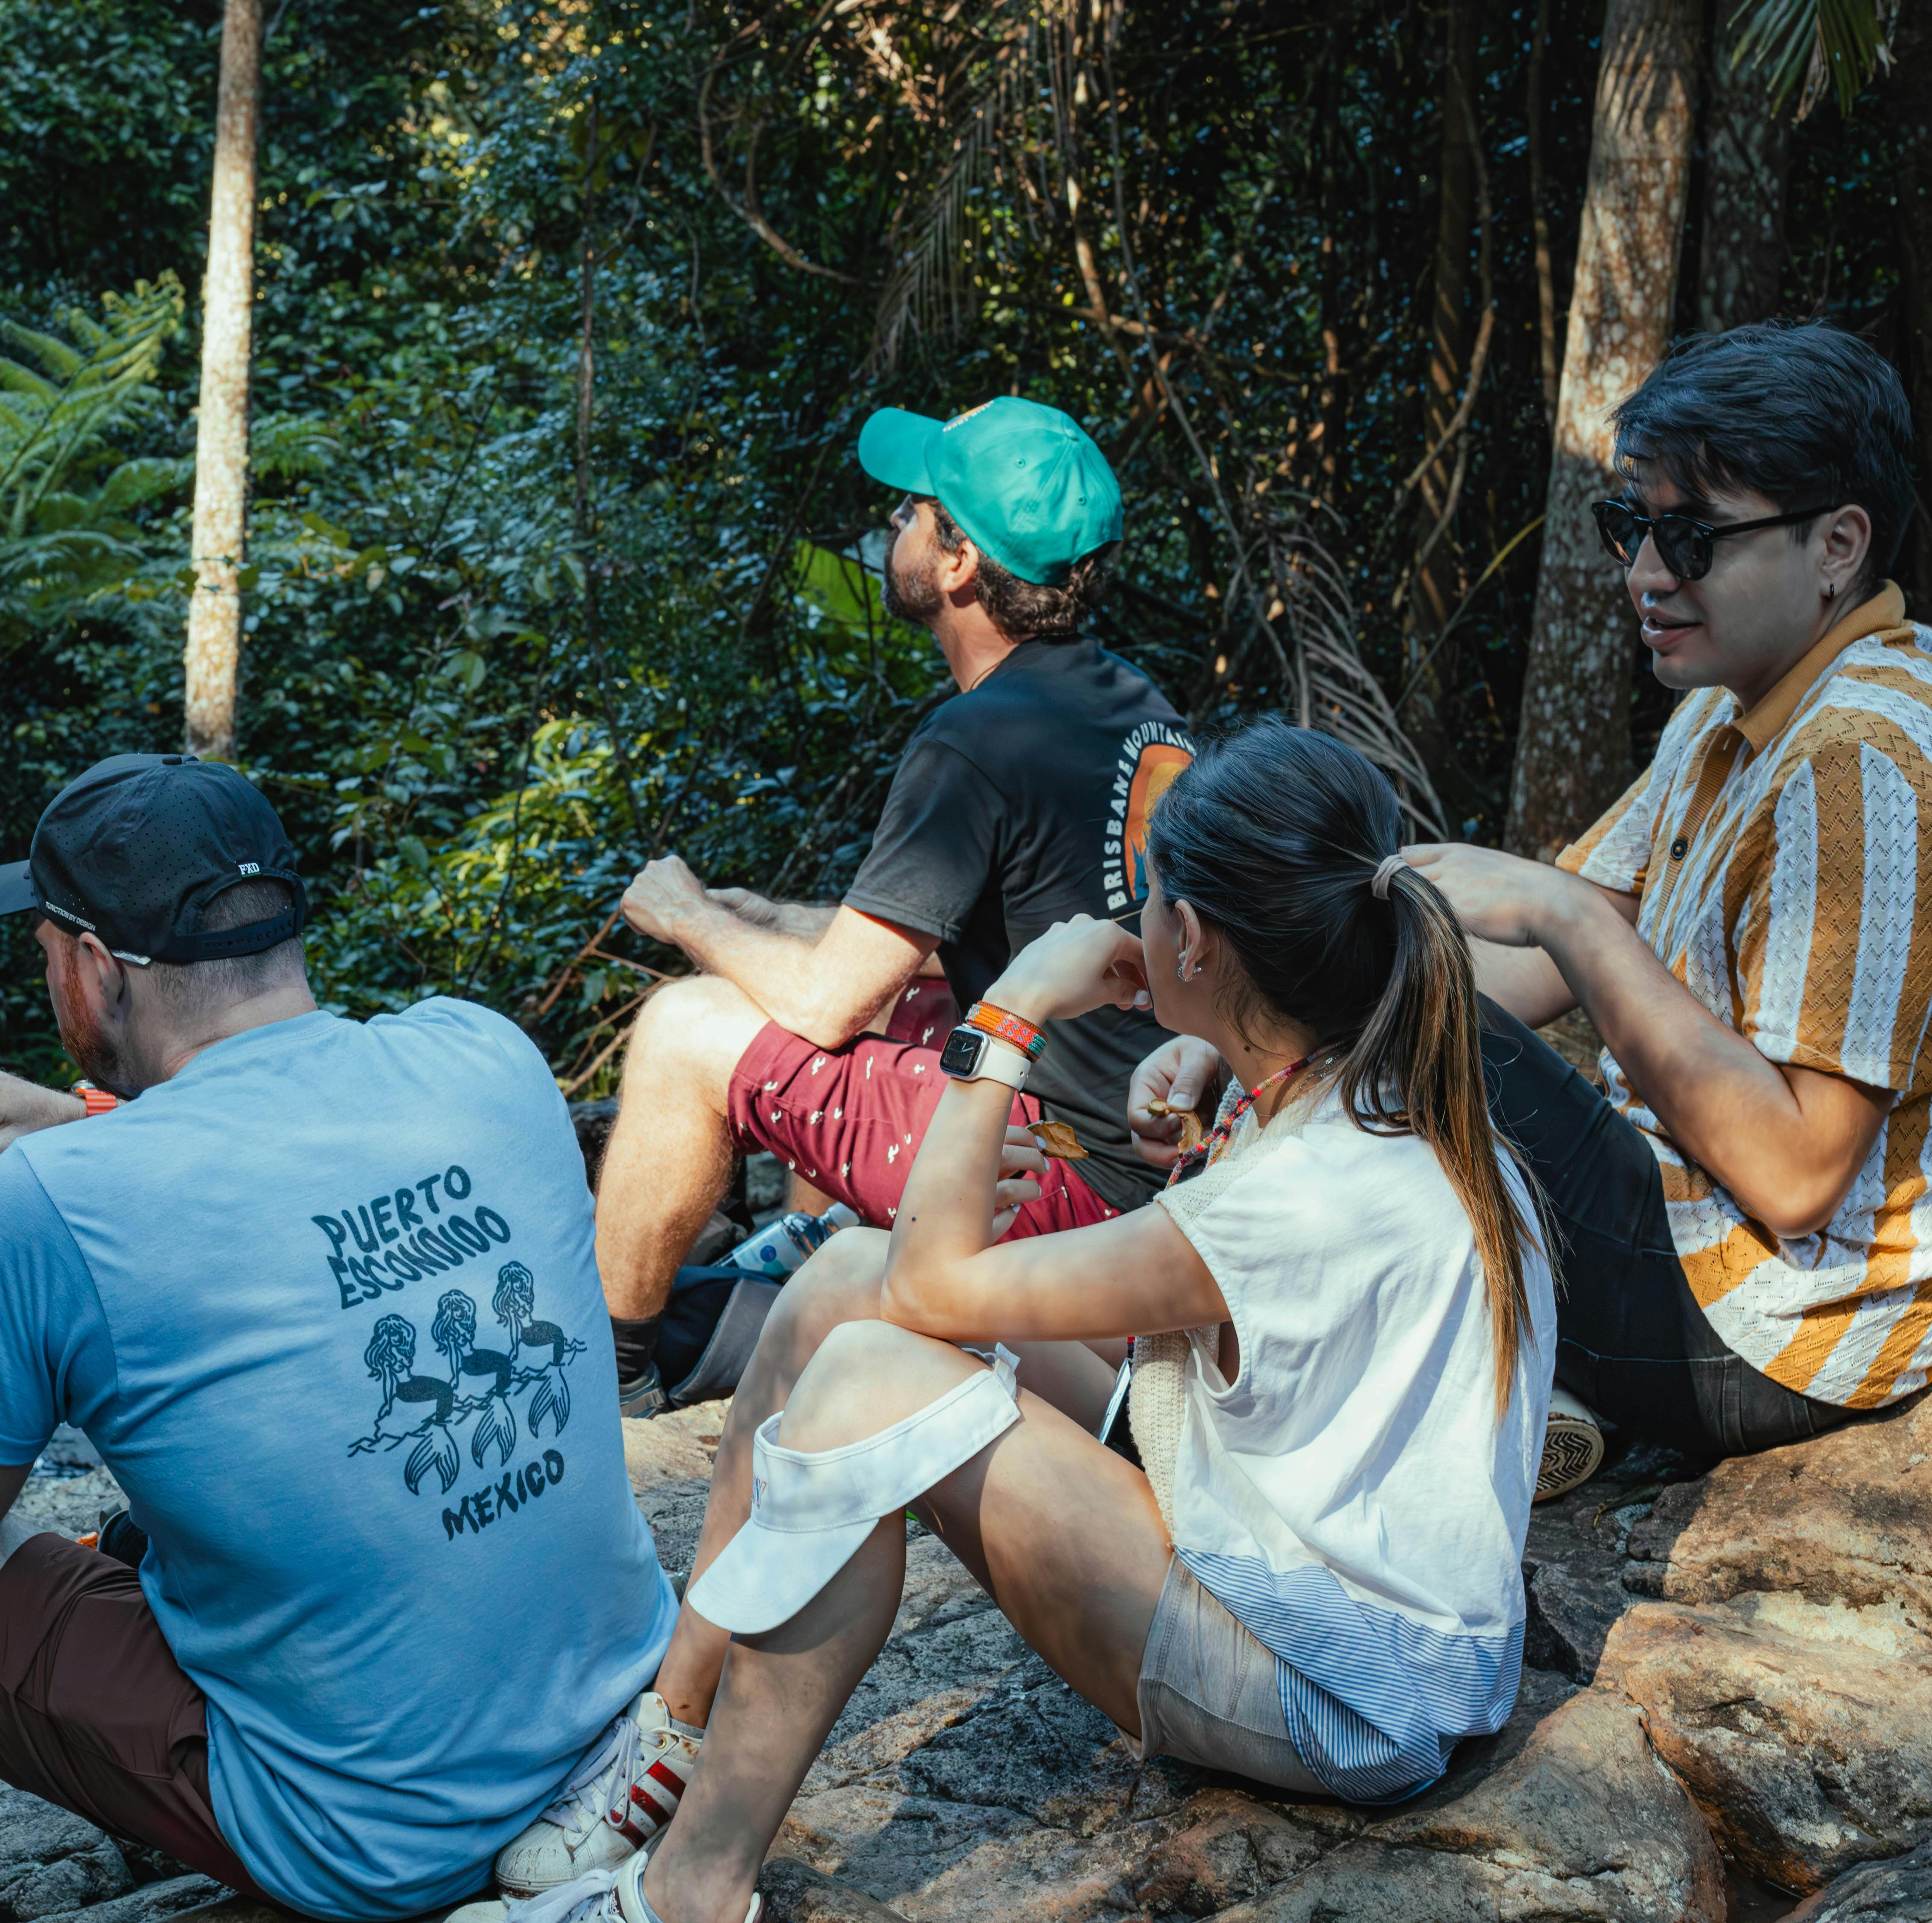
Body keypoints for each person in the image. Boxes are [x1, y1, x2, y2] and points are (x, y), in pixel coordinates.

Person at [461, 722, 1558, 1923]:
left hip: (1335, 1691)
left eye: (1149, 899)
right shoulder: (1372, 1084)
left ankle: (687, 1894)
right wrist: (1209, 1061)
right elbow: (914, 1268)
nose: (1132, 922)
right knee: (845, 1276)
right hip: (1289, 1550)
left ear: (1193, 938)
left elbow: (936, 1290)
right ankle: (673, 1728)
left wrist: (1014, 1005)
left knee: (869, 1378)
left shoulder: (1297, 1196)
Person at [0, 754, 676, 1923]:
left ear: (98, 968)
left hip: (380, 1842)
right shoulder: (482, 1053)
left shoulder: (57, 1204)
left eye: (48, 947)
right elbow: (285, 1190)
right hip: (618, 1732)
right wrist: (86, 1121)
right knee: (155, 1513)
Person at [1391, 321, 1932, 1477]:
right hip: (1687, 1227)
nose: (1643, 574)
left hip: (1774, 1322)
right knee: (1377, 1015)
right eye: (1632, 526)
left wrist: (1564, 914)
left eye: (1690, 537)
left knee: (1403, 1037)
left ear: (1837, 544)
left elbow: (1798, 1175)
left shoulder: (1861, 762)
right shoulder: (1731, 708)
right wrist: (1273, 1026)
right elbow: (1528, 965)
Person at [603, 396, 1194, 1414]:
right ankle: (814, 1250)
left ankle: (613, 1378)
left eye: (913, 511)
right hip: (1150, 1156)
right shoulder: (1132, 701)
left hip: (1067, 1181)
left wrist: (687, 916)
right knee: (890, 994)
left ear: (958, 562)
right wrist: (777, 920)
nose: (893, 525)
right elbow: (996, 926)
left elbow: (829, 1003)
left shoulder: (974, 740)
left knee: (683, 1027)